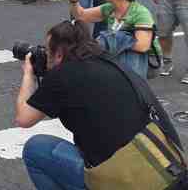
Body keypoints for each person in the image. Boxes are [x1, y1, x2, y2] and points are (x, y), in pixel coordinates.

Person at [15, 20, 173, 190]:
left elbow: (24, 119)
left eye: (47, 50)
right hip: (166, 169)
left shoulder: (62, 75)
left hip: (128, 181)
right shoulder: (109, 61)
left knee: (36, 149)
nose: (45, 54)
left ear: (59, 53)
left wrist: (28, 74)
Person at [68, 0, 154, 78]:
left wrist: (108, 40)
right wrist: (74, 1)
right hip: (121, 55)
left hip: (146, 61)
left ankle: (133, 86)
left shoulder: (140, 13)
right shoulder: (110, 8)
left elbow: (142, 46)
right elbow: (81, 16)